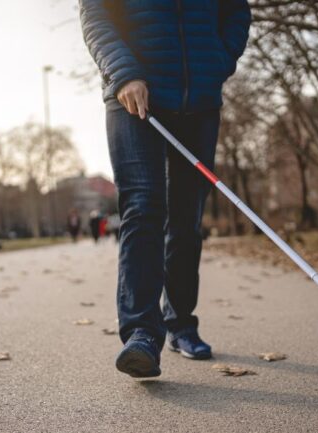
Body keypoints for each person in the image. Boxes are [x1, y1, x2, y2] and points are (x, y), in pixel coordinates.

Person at [80, 0, 251, 378]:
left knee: (186, 216)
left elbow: (236, 11)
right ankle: (142, 333)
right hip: (133, 95)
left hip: (200, 100)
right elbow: (96, 13)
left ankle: (182, 324)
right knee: (143, 205)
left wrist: (218, 61)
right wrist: (122, 73)